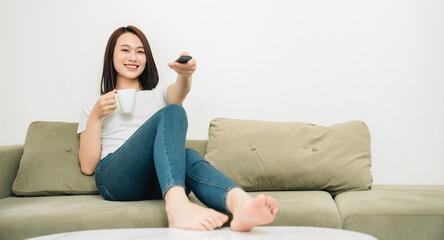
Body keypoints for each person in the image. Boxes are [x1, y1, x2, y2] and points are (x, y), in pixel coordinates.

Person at [77, 25, 278, 231]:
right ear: (111, 55)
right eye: (125, 50)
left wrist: (185, 73)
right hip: (116, 180)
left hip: (157, 181)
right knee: (172, 113)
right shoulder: (95, 104)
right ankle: (177, 207)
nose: (133, 57)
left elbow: (181, 90)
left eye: (140, 51)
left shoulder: (159, 95)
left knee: (186, 150)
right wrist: (95, 116)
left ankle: (240, 204)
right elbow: (87, 166)